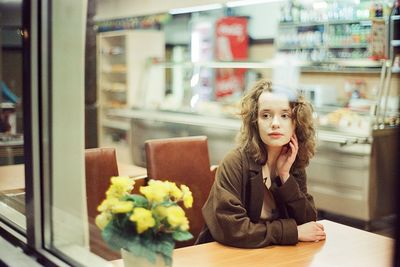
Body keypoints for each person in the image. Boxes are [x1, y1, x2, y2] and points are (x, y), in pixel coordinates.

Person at [196, 79, 326, 248]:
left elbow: (308, 222)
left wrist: (285, 178)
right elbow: (233, 229)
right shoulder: (235, 162)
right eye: (266, 115)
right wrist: (293, 232)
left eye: (285, 115)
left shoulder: (292, 164)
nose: (275, 123)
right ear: (254, 122)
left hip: (270, 255)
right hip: (226, 256)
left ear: (296, 123)